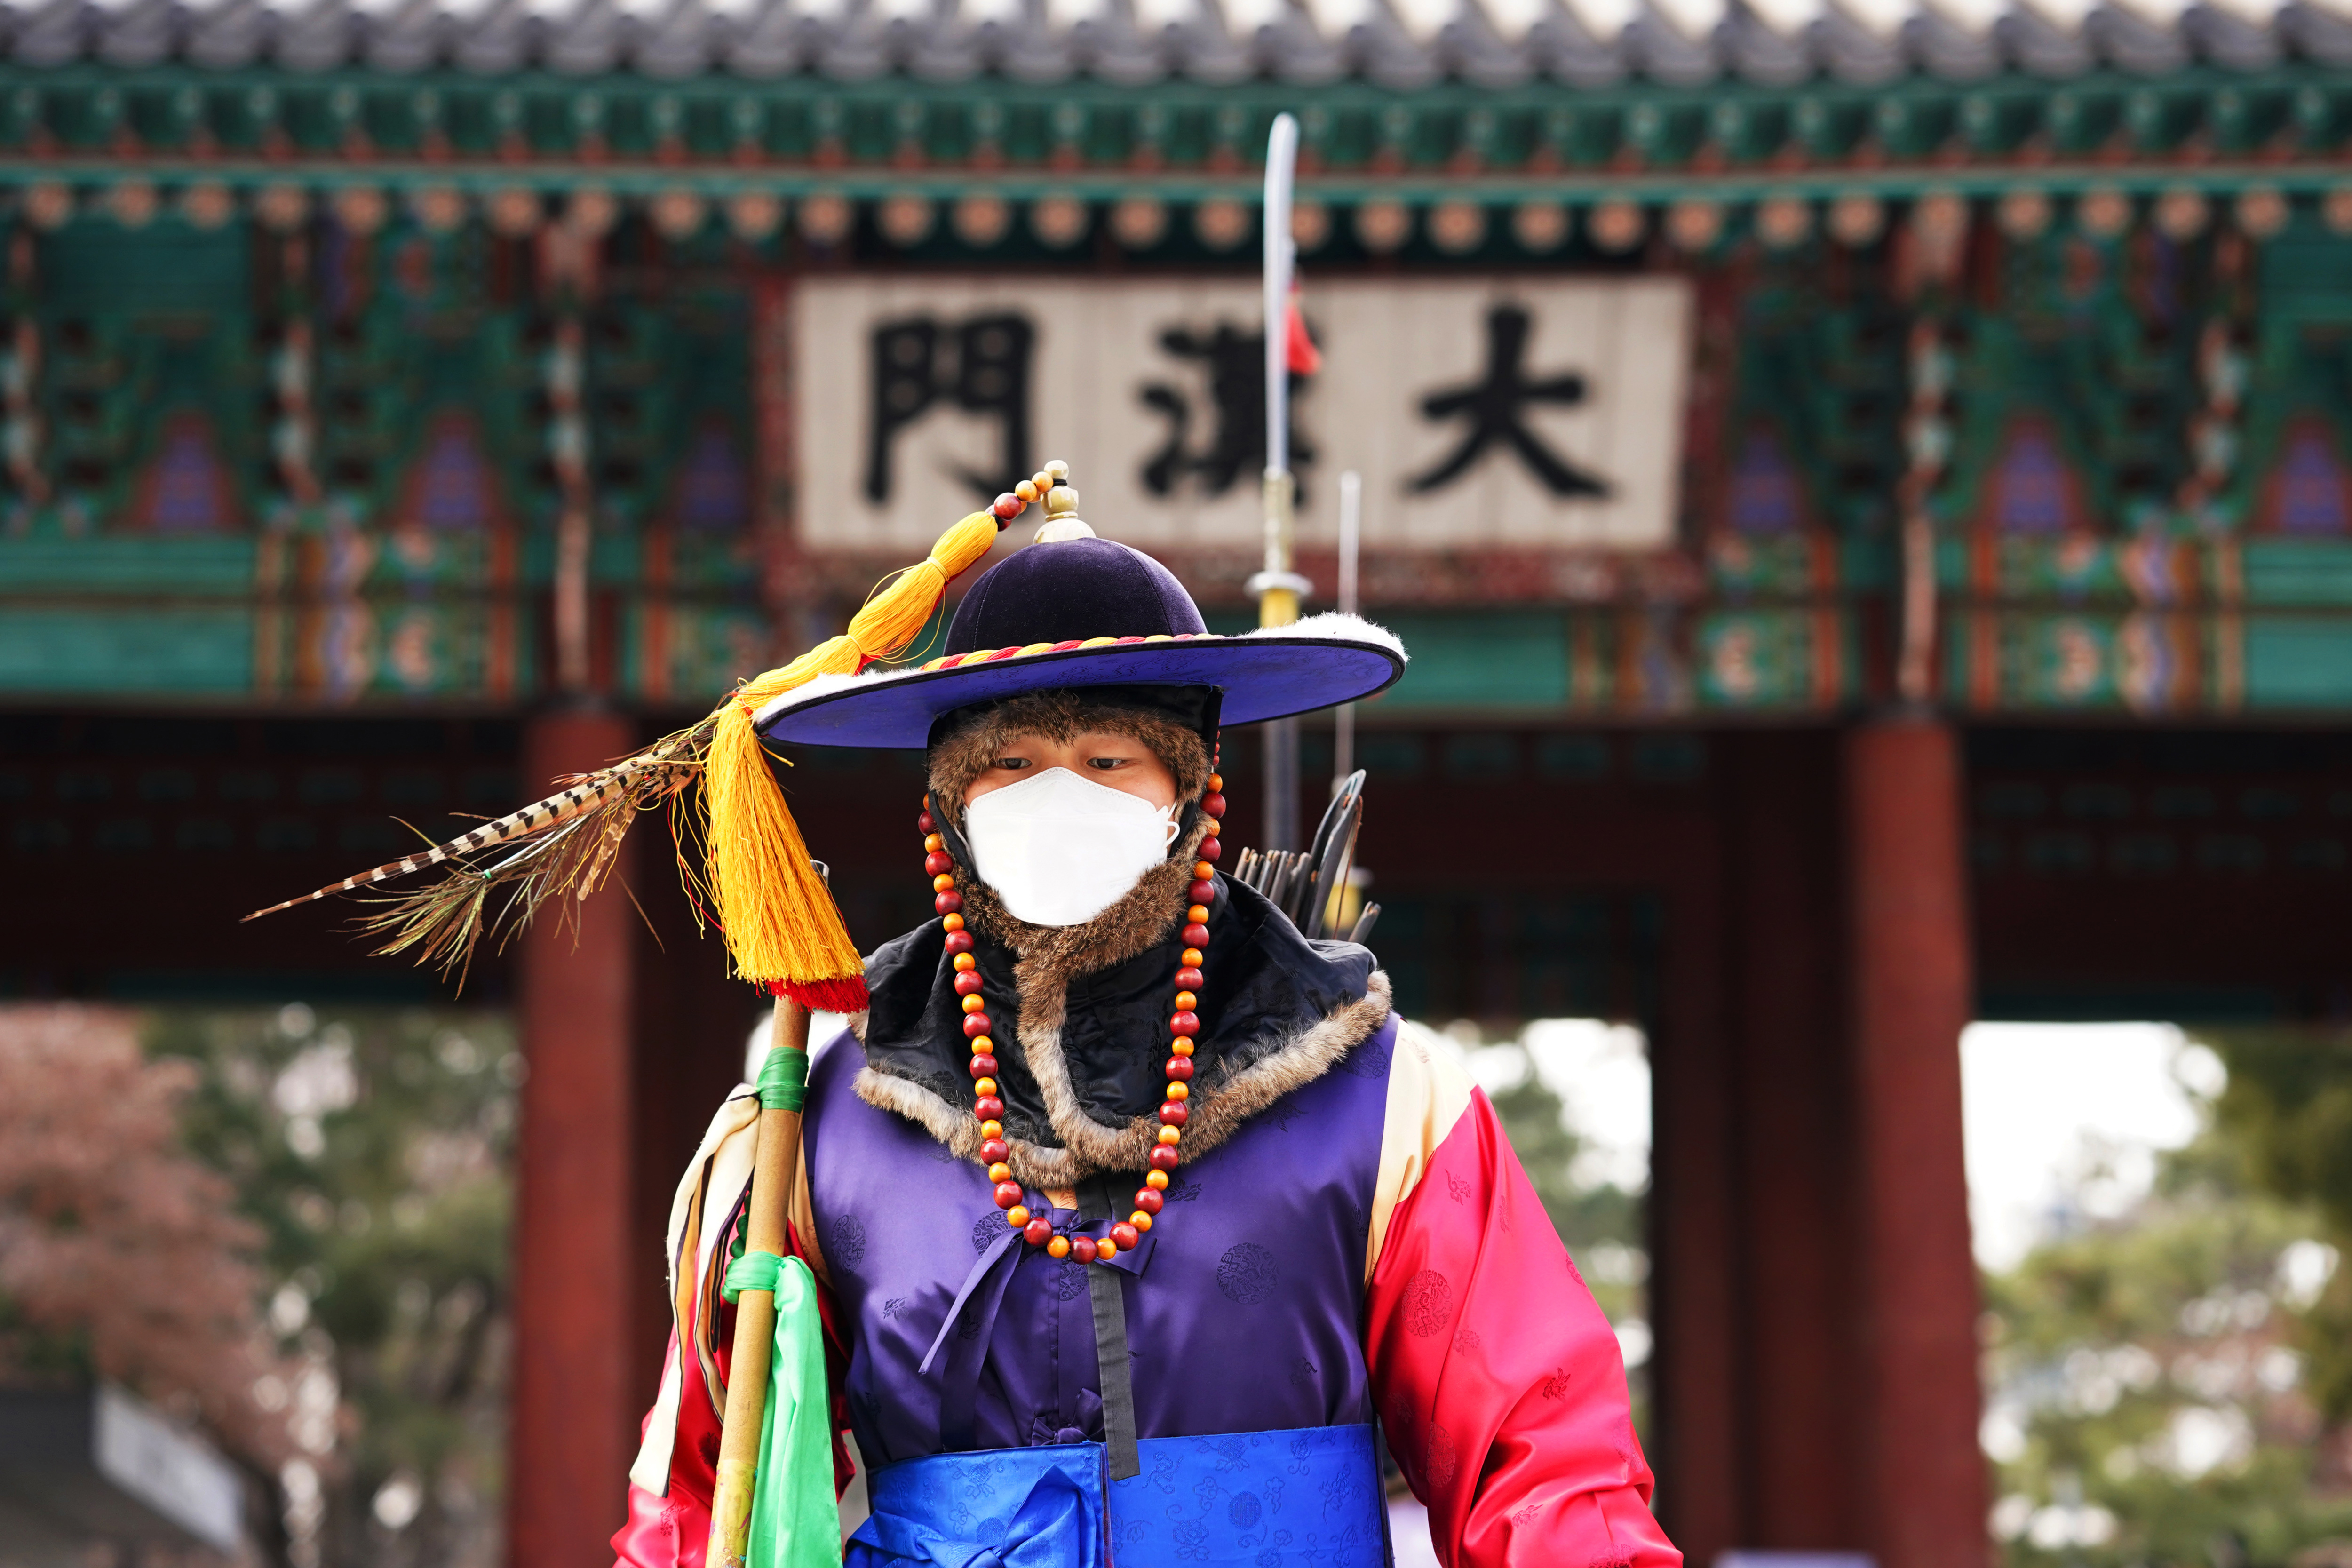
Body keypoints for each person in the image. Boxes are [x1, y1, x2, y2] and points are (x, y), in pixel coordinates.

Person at [613, 483, 1679, 1568]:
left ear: (1188, 787)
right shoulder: (819, 1116)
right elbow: (705, 1493)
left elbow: (1543, 1457)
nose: (1057, 794)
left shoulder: (1388, 1098)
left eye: (1109, 759)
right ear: (948, 804)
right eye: (1011, 762)